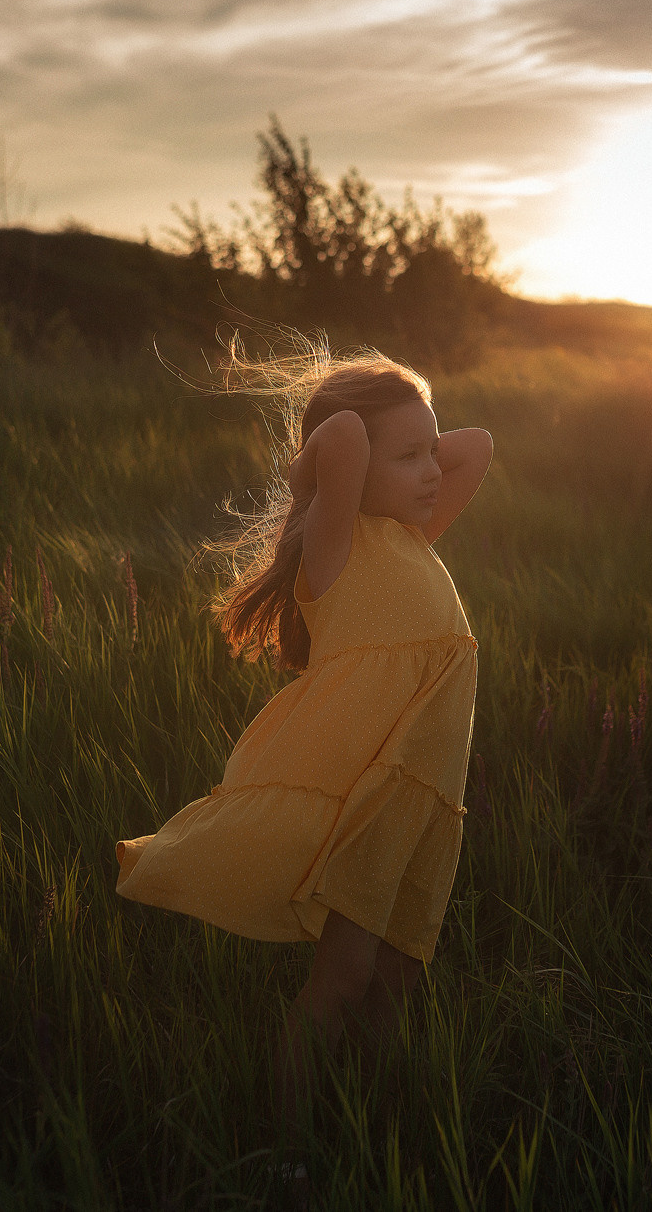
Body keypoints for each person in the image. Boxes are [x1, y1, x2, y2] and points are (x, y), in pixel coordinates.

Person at [114, 342, 493, 1190]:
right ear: (352, 474)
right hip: (362, 787)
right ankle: (290, 1146)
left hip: (423, 794)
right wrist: (323, 467)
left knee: (395, 981)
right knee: (345, 975)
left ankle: (381, 1131)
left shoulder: (411, 531)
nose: (434, 469)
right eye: (411, 457)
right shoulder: (336, 545)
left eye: (427, 452)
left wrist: (413, 429)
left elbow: (479, 444)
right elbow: (347, 436)